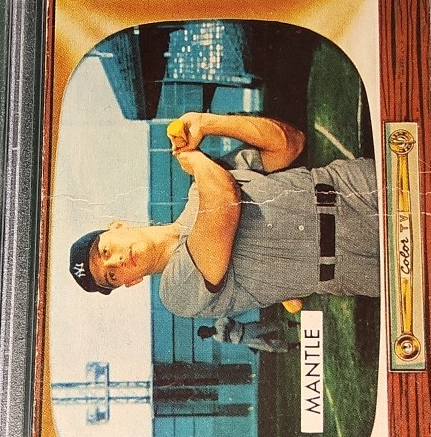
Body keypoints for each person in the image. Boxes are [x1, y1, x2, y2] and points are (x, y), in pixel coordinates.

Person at [68, 112, 380, 318]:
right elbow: (223, 202)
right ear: (132, 282)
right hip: (357, 264)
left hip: (354, 186)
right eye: (111, 276)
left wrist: (207, 123)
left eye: (105, 251)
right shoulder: (176, 293)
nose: (116, 262)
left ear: (118, 226)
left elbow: (289, 144)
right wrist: (193, 158)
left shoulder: (204, 183)